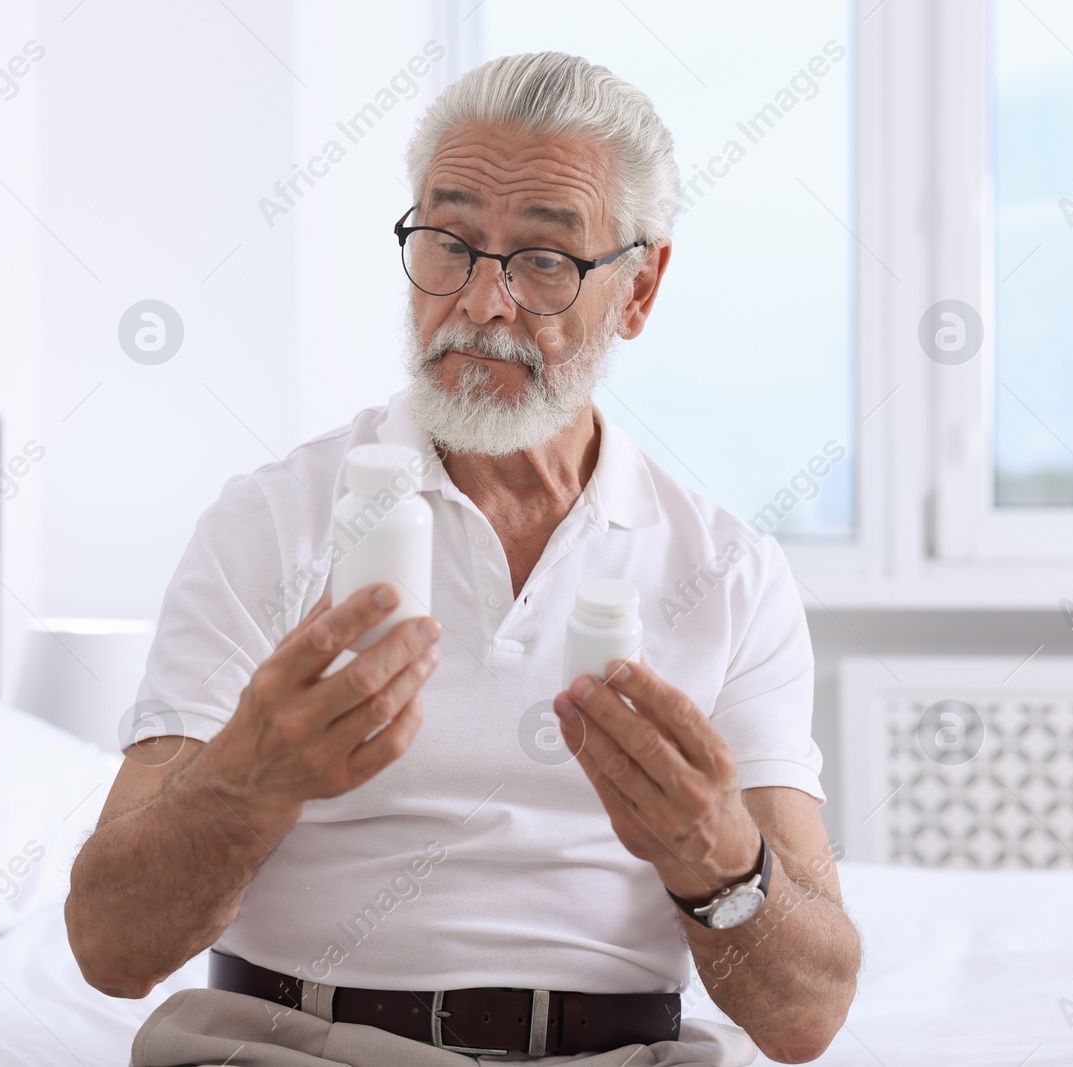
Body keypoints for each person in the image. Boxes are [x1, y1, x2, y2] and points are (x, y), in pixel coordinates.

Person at [66, 50, 861, 1067]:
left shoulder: (729, 572)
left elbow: (807, 1017)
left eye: (541, 259)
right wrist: (248, 779)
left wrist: (716, 858)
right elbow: (110, 947)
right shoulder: (270, 521)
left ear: (639, 289)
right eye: (448, 243)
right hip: (296, 1046)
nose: (481, 302)